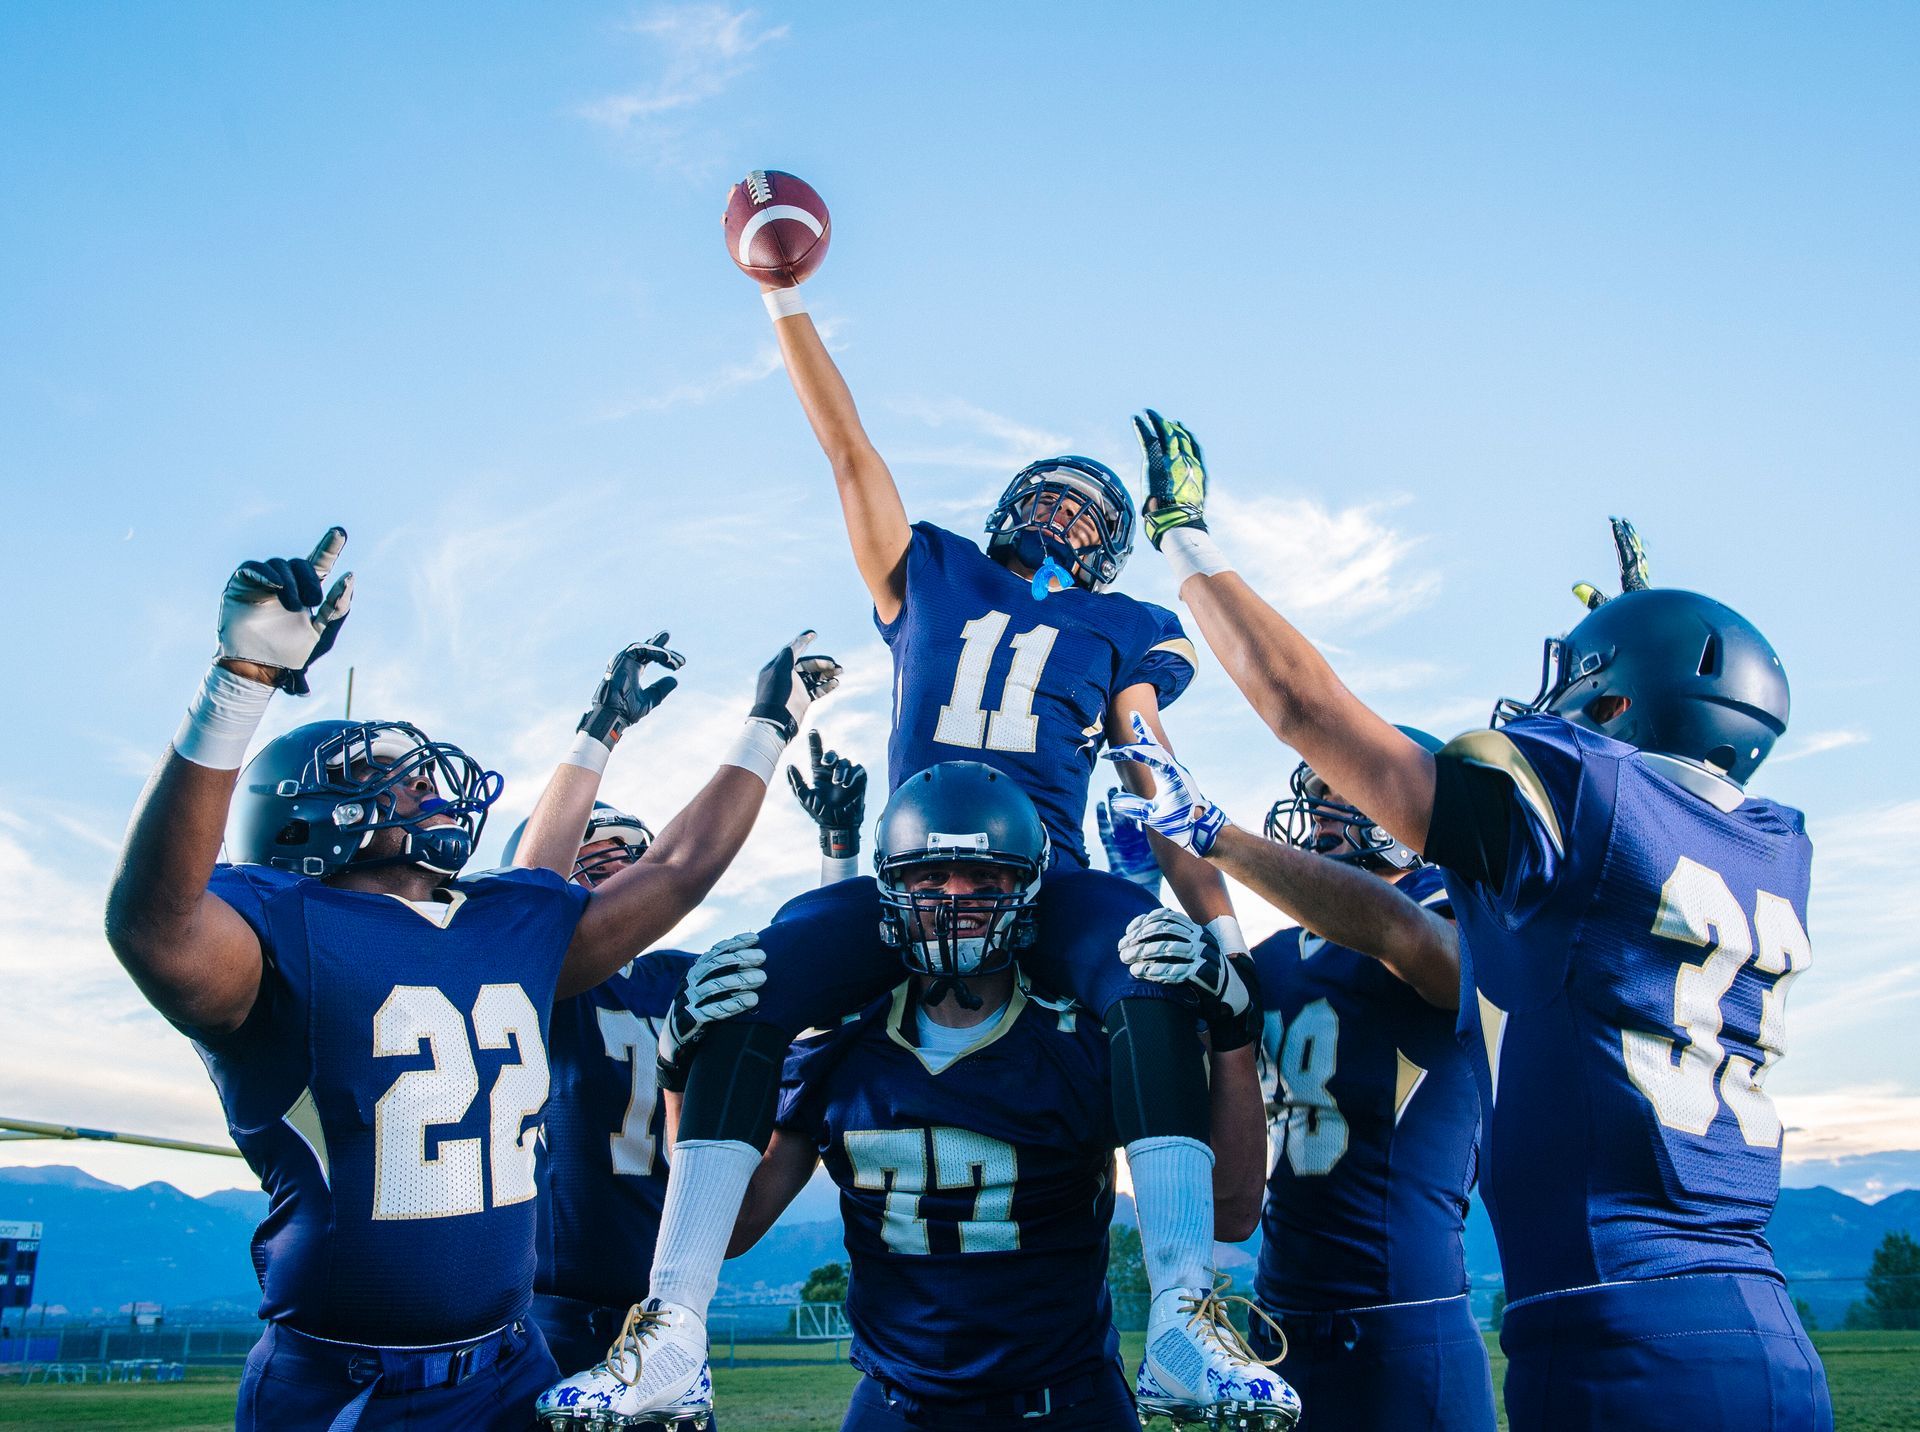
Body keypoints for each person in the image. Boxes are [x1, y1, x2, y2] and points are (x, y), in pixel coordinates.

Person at [537, 213, 1274, 1425]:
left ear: (1113, 553)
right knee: (735, 983)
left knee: (1152, 971)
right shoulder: (926, 568)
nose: (1068, 517)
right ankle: (668, 1329)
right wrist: (784, 303)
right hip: (910, 870)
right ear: (1002, 509)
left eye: (1094, 514)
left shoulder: (1121, 625)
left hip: (1050, 874)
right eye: (1051, 498)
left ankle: (1188, 1314)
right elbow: (846, 450)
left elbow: (1156, 771)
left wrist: (1221, 937)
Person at [1114, 424, 1833, 1432]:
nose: (1553, 709)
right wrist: (1651, 632)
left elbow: (1301, 705)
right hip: (1753, 1319)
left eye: (1580, 685)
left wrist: (1185, 538)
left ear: (1617, 704)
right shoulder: (1772, 840)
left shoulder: (1551, 830)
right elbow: (1669, 776)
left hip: (1613, 1337)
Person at [102, 530, 839, 1431]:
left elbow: (680, 867)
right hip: (352, 1383)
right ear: (304, 818)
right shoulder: (278, 927)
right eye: (383, 772)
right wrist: (240, 681)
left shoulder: (499, 927)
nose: (423, 780)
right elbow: (155, 923)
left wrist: (765, 728)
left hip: (512, 1359)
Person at [744, 763, 1299, 1431]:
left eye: (986, 878)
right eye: (931, 878)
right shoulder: (841, 1043)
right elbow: (738, 1224)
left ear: (1027, 886)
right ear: (891, 888)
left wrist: (1233, 1035)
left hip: (1065, 1404)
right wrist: (676, 1075)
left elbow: (1233, 1213)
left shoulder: (1083, 1038)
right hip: (895, 1405)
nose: (957, 898)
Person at [1109, 746, 1496, 1431]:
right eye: (1313, 791)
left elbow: (1410, 942)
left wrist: (1211, 834)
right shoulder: (1283, 955)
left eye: (1340, 787)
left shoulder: (1446, 912)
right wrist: (1138, 894)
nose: (1316, 810)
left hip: (1404, 1329)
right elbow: (1212, 1159)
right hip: (1279, 1331)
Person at [510, 697, 870, 1376]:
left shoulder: (684, 976)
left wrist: (837, 860)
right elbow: (525, 901)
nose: (625, 865)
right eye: (600, 849)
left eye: (634, 853)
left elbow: (819, 1002)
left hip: (669, 1310)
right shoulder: (537, 985)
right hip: (550, 1314)